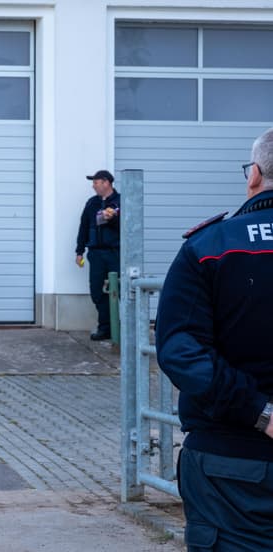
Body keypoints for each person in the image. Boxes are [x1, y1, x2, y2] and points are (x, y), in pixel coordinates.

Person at [156, 127, 273, 551]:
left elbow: (180, 349)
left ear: (254, 174)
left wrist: (261, 413)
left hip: (231, 466)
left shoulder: (210, 247)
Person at [75, 169, 120, 341]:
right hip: (96, 254)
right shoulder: (91, 203)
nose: (93, 186)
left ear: (106, 182)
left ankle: (123, 328)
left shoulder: (120, 202)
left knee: (121, 291)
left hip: (115, 253)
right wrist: (79, 251)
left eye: (96, 182)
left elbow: (127, 227)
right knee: (97, 292)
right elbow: (83, 227)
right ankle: (106, 328)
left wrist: (113, 219)